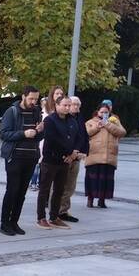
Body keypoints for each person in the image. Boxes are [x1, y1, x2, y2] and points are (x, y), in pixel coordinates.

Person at [0, 86, 43, 236]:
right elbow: (4, 134)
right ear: (23, 96)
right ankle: (4, 223)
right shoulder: (12, 111)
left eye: (36, 99)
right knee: (12, 191)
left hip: (31, 157)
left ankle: (14, 222)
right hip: (14, 156)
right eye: (31, 98)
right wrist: (24, 133)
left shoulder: (37, 111)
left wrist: (39, 131)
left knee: (22, 192)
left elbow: (37, 136)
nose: (33, 102)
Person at [36, 96, 77, 230]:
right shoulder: (50, 120)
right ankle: (41, 217)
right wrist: (69, 152)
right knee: (44, 190)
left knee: (59, 190)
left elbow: (77, 137)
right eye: (64, 105)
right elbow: (53, 139)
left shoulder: (72, 120)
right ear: (57, 105)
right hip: (50, 160)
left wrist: (73, 153)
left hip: (65, 160)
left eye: (69, 105)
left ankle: (54, 217)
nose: (67, 108)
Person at [84, 101, 125, 209]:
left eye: (106, 112)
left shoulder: (114, 121)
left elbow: (122, 132)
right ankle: (90, 199)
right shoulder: (91, 121)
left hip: (109, 155)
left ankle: (102, 200)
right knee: (92, 179)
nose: (104, 114)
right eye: (102, 112)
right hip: (94, 154)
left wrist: (108, 124)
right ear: (97, 112)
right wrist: (97, 127)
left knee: (105, 179)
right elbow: (86, 133)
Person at [56, 95, 89, 223]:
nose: (75, 107)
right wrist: (70, 153)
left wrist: (84, 152)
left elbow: (83, 137)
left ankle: (63, 210)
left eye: (77, 105)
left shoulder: (79, 118)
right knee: (59, 185)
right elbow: (62, 138)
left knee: (70, 186)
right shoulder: (62, 119)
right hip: (64, 157)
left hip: (76, 157)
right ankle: (56, 211)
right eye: (72, 105)